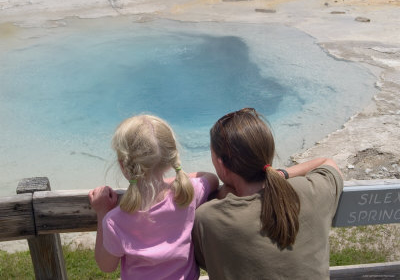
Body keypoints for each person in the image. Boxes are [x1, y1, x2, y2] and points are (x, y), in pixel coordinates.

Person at [192, 108, 343, 280]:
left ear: (222, 165)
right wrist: (281, 174)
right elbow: (327, 162)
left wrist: (221, 191)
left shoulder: (209, 218)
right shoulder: (312, 191)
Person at [89, 114, 218, 280]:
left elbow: (106, 266)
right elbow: (211, 178)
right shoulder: (189, 193)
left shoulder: (115, 220)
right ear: (170, 158)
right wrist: (170, 181)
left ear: (123, 164)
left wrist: (101, 212)